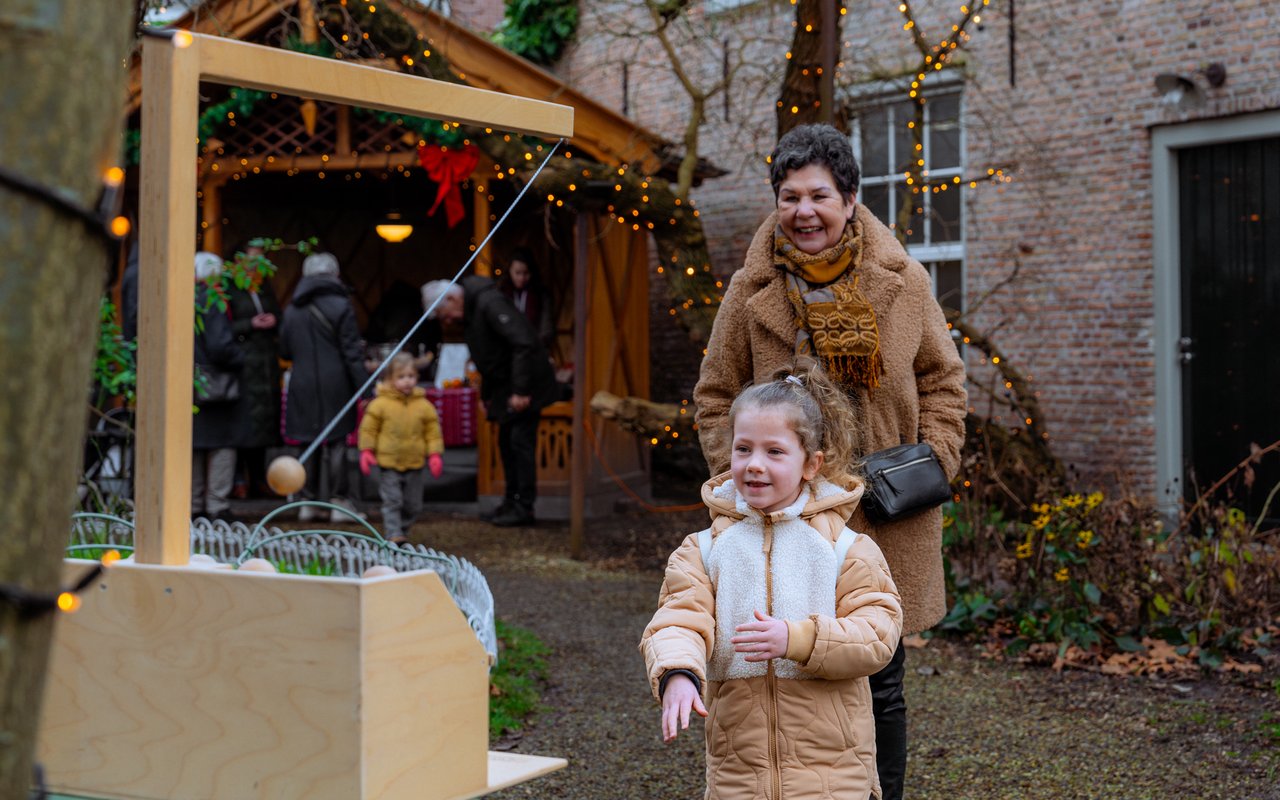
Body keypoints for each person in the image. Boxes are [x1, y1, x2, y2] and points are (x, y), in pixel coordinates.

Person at [692, 123, 967, 800]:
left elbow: (944, 382)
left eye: (819, 195)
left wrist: (931, 459)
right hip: (783, 520)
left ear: (850, 200)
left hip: (884, 515)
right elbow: (714, 396)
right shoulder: (749, 291)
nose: (803, 211)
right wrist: (747, 479)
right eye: (789, 197)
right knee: (785, 672)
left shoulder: (903, 283)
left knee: (883, 679)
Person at [642, 360, 902, 800]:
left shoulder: (846, 548)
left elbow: (878, 633)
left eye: (774, 452)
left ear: (811, 464)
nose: (755, 465)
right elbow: (677, 620)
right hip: (738, 771)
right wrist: (677, 672)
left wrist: (799, 640)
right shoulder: (703, 549)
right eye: (744, 449)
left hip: (832, 770)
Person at [421, 275, 558, 527]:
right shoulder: (472, 312)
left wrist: (520, 390)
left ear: (452, 298)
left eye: (443, 314)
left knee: (520, 444)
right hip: (505, 386)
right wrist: (486, 396)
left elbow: (522, 343)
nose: (446, 321)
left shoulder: (489, 303)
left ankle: (524, 507)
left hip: (527, 384)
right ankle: (510, 501)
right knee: (506, 443)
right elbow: (488, 358)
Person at [279, 252, 370, 522]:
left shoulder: (292, 309)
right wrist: (365, 390)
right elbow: (352, 353)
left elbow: (285, 350)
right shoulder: (342, 305)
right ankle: (339, 503)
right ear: (335, 275)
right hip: (336, 382)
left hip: (302, 380)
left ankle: (307, 501)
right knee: (337, 440)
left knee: (308, 439)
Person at [357, 352, 445, 545]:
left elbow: (433, 431)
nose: (407, 381)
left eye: (411, 376)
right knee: (393, 500)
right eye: (401, 377)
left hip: (414, 462)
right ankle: (393, 534)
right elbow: (368, 429)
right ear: (390, 379)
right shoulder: (379, 405)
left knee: (413, 505)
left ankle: (401, 530)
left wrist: (435, 454)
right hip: (389, 463)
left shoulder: (424, 406)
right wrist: (366, 451)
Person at [225, 239, 282, 498]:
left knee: (263, 424)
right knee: (243, 422)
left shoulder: (264, 286)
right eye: (252, 259)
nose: (256, 264)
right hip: (243, 364)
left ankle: (259, 478)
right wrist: (250, 324)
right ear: (238, 261)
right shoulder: (229, 288)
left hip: (266, 364)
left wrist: (274, 320)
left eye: (260, 259)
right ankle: (239, 479)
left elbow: (279, 314)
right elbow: (224, 328)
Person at [192, 251, 244, 522]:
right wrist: (241, 357)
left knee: (195, 444)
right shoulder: (214, 301)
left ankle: (193, 503)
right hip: (217, 386)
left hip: (190, 383)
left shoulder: (183, 298)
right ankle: (216, 505)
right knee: (222, 445)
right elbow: (220, 346)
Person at [497, 247, 555, 350]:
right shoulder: (501, 293)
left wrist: (536, 346)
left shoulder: (541, 293)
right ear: (510, 271)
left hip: (534, 350)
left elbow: (546, 327)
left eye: (526, 273)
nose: (521, 278)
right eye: (517, 273)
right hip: (506, 351)